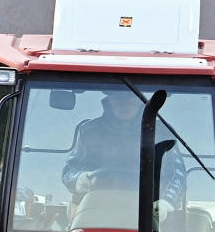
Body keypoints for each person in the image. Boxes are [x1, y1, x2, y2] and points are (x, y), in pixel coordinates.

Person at [62, 91, 186, 221]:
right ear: (110, 99)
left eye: (130, 98)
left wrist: (166, 203)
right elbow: (70, 171)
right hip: (96, 212)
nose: (124, 104)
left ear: (139, 101)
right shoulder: (89, 131)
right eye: (118, 97)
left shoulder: (163, 132)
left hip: (150, 214)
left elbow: (178, 173)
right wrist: (81, 179)